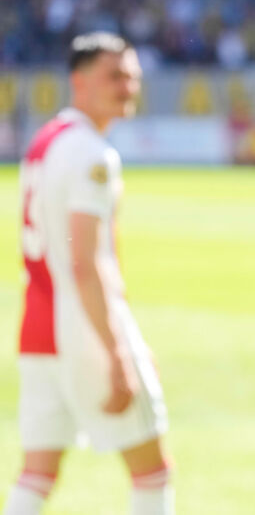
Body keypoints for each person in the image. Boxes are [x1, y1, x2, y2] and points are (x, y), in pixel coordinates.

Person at [6, 33, 172, 515]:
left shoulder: (46, 140)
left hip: (37, 330)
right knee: (153, 473)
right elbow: (87, 263)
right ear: (79, 81)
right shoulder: (92, 155)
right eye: (114, 76)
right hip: (82, 331)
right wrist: (118, 351)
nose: (127, 87)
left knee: (36, 473)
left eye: (132, 76)